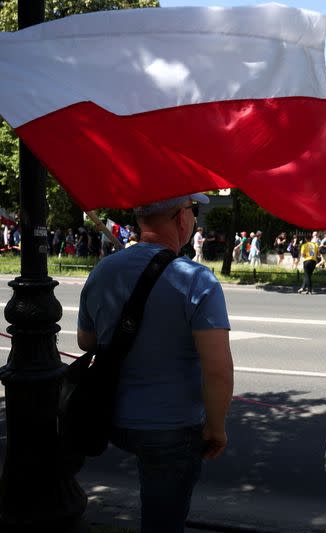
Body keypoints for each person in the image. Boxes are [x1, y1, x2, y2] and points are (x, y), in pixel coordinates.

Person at [77, 193, 233, 533]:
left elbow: (86, 341)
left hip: (112, 417)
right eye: (194, 210)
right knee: (163, 523)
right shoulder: (197, 280)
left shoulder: (104, 270)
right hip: (172, 428)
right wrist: (216, 428)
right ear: (180, 218)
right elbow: (218, 369)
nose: (195, 218)